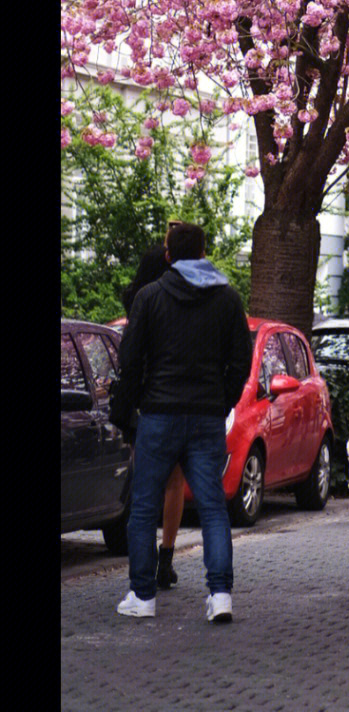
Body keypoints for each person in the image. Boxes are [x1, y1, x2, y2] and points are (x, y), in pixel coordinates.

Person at [113, 220, 252, 622]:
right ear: (204, 253)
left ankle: (142, 596)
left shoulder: (150, 297)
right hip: (207, 416)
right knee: (213, 508)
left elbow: (130, 358)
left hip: (159, 414)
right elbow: (240, 361)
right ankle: (221, 594)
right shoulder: (228, 299)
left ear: (169, 255)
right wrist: (221, 401)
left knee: (143, 509)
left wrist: (140, 402)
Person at [120, 244, 186, 591]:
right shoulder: (173, 303)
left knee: (142, 481)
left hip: (141, 400)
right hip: (171, 398)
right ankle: (166, 557)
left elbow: (129, 356)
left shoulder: (136, 302)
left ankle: (144, 557)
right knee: (173, 480)